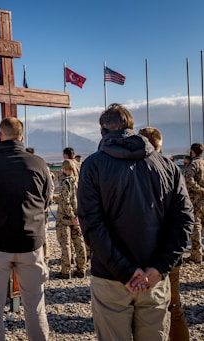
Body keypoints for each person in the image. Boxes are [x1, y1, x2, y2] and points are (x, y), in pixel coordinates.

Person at [77, 103, 194, 340]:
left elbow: (92, 225)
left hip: (111, 278)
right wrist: (158, 269)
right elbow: (184, 221)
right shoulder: (167, 166)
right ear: (132, 127)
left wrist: (127, 272)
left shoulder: (93, 166)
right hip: (153, 278)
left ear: (102, 132)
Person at [0, 117, 52, 340]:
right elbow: (45, 201)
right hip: (31, 244)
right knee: (35, 304)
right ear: (22, 137)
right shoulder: (38, 164)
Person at [139, 126, 190, 341]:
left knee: (143, 313)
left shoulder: (135, 170)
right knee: (174, 306)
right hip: (170, 254)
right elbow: (185, 216)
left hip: (144, 253)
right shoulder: (172, 169)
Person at [54, 159, 87, 279]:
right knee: (79, 243)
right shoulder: (79, 182)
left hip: (65, 218)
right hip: (78, 218)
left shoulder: (65, 183)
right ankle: (81, 269)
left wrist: (72, 216)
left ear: (64, 169)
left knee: (66, 244)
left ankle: (66, 271)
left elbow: (66, 201)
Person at [185, 142, 204, 264]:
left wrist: (199, 189)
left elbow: (188, 180)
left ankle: (197, 255)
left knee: (196, 226)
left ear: (193, 152)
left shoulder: (194, 164)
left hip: (196, 199)